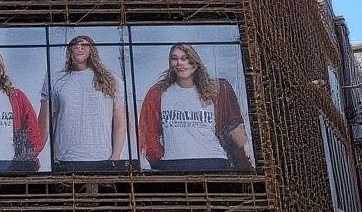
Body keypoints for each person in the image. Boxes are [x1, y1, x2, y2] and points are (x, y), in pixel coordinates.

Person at [137, 43, 253, 171]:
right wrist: (161, 160)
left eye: (185, 58)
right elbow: (148, 133)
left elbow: (235, 130)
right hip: (174, 163)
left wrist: (245, 162)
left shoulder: (217, 91)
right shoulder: (159, 93)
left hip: (213, 161)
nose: (180, 63)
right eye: (175, 58)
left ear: (195, 61)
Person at [38, 34, 127, 171]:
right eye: (76, 45)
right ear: (69, 51)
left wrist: (115, 156)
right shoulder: (56, 79)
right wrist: (51, 155)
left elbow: (120, 123)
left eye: (84, 45)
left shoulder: (112, 80)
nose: (80, 48)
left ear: (92, 50)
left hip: (102, 158)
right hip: (66, 158)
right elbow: (47, 119)